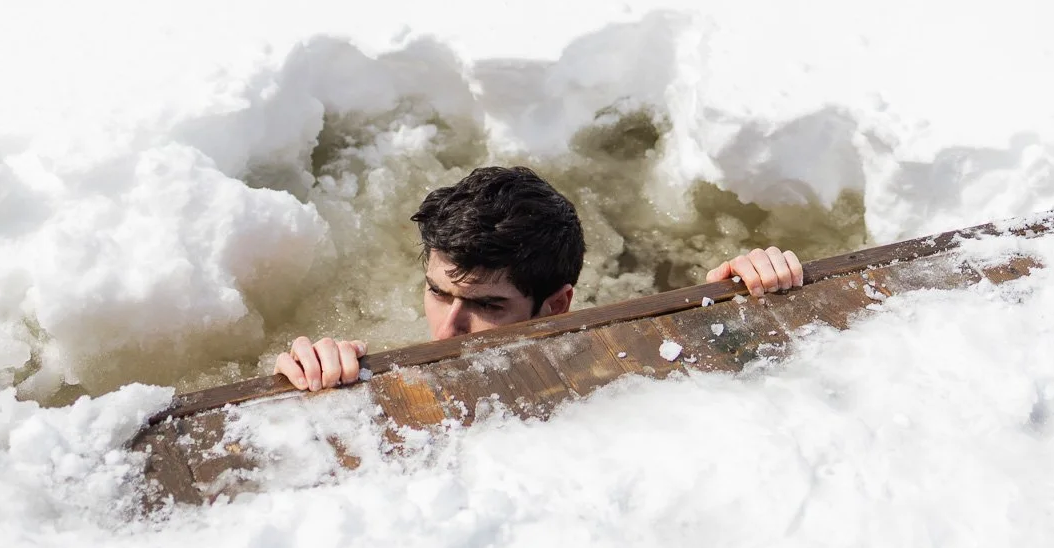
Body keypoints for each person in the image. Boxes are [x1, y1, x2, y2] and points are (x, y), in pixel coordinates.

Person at [273, 165, 806, 391]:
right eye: (438, 293)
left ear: (556, 306)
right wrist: (318, 366)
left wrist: (734, 302)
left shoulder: (606, 369)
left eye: (487, 305)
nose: (446, 329)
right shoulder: (399, 336)